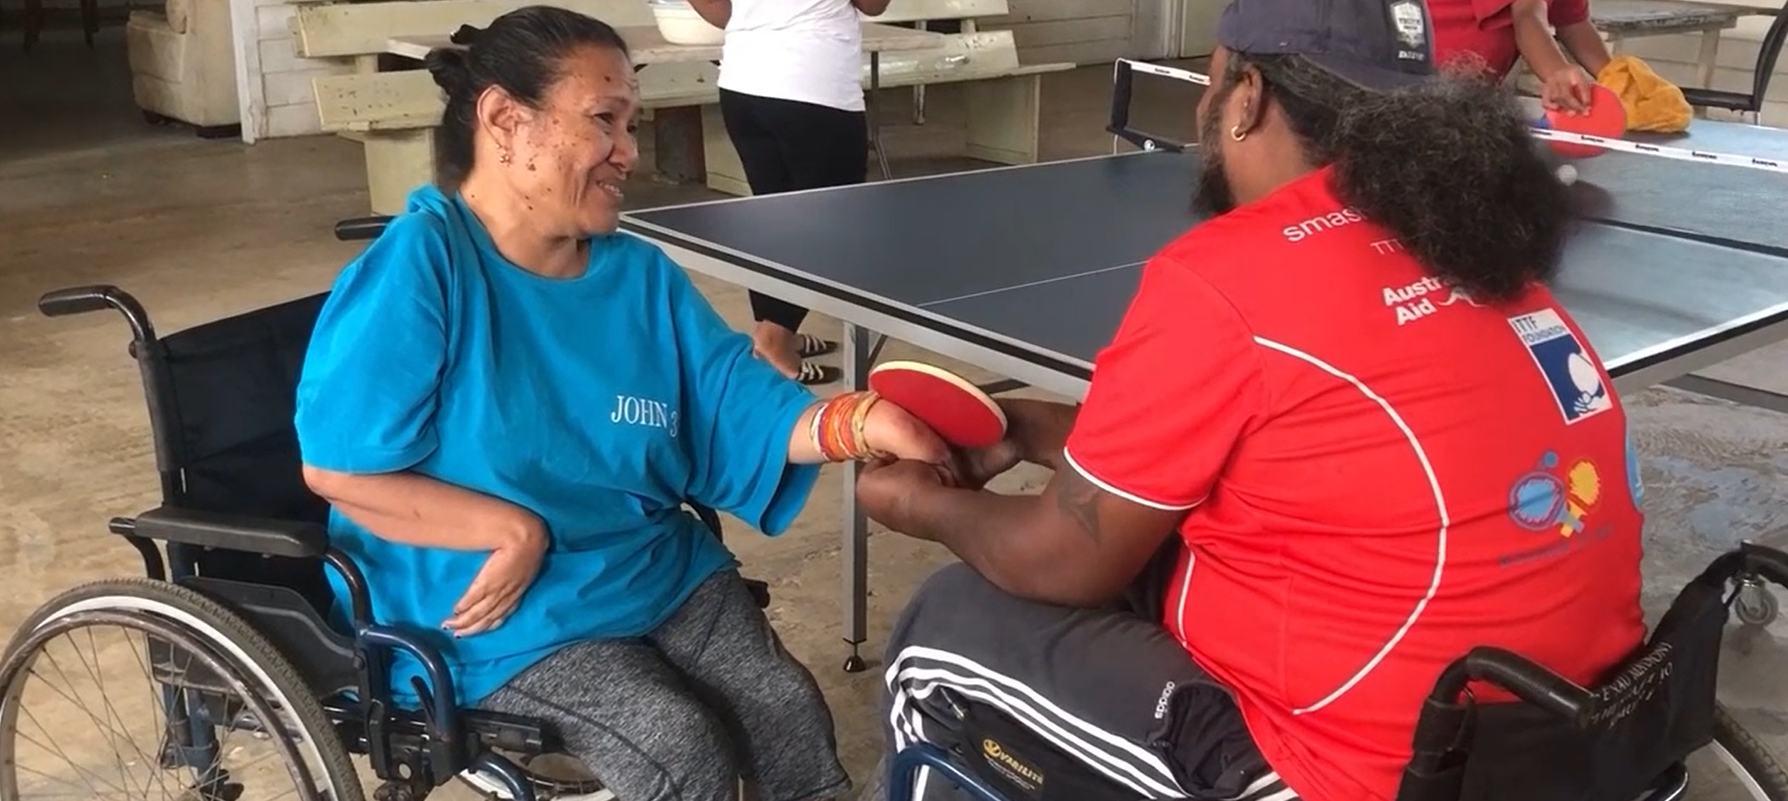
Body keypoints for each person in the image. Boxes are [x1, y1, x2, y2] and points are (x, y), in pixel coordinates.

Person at [852, 0, 1647, 799]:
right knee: (1158, 553)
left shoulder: (1223, 279)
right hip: (1575, 736)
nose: (1202, 106)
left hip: (1362, 770)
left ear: (1248, 96)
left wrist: (921, 505)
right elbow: (1281, 454)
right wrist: (1023, 426)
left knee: (944, 627)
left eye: (1212, 78)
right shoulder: (1475, 246)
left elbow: (1063, 559)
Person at [291, 8, 952, 801]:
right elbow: (336, 466)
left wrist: (861, 419)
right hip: (490, 609)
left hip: (644, 565)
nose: (628, 153)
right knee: (678, 750)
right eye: (604, 121)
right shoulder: (423, 267)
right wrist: (510, 529)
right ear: (504, 120)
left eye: (631, 124)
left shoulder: (638, 273)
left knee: (786, 707)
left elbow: (731, 399)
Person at [685, 0, 892, 385]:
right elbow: (874, 4)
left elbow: (719, 11)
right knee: (826, 223)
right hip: (813, 89)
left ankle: (776, 328)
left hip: (743, 86)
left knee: (773, 218)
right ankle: (775, 338)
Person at [1429, 0, 1614, 114]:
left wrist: (1617, 78)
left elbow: (1573, 22)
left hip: (1470, 99)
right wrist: (1556, 71)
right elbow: (1527, 14)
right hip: (1420, 84)